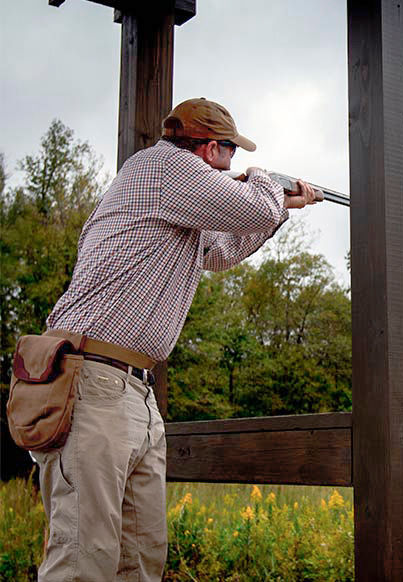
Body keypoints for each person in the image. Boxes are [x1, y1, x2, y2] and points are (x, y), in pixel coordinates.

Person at [31, 97, 316, 581]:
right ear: (209, 149)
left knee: (140, 559)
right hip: (94, 380)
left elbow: (221, 251)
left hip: (133, 392)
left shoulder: (179, 195)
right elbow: (250, 206)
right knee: (84, 558)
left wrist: (281, 210)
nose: (235, 164)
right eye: (232, 153)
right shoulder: (167, 167)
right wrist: (267, 182)